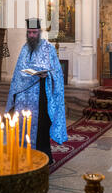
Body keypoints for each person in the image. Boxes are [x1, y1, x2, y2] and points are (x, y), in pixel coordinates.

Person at [6, 18, 67, 165]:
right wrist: (29, 74)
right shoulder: (24, 49)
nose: (32, 35)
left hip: (41, 96)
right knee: (23, 126)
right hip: (24, 97)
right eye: (29, 32)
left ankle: (44, 156)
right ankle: (24, 154)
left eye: (34, 32)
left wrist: (47, 75)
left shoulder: (49, 49)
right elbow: (18, 73)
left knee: (41, 127)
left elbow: (57, 73)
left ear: (40, 32)